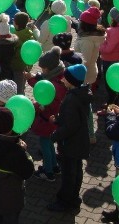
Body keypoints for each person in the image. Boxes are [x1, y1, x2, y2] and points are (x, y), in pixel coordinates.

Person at [48, 64, 91, 213]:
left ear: (72, 81)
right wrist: (59, 120)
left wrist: (55, 135)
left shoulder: (72, 99)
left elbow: (71, 126)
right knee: (76, 171)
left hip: (71, 144)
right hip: (79, 142)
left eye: (65, 77)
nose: (62, 79)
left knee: (68, 175)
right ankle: (73, 198)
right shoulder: (81, 94)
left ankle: (65, 202)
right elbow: (74, 119)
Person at [25, 48, 67, 181]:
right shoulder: (59, 76)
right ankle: (55, 167)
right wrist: (31, 79)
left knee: (45, 145)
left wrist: (37, 106)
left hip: (47, 118)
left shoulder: (54, 85)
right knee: (49, 144)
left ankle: (48, 172)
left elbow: (45, 96)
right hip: (53, 118)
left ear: (48, 69)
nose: (42, 71)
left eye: (43, 69)